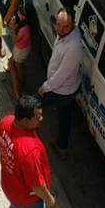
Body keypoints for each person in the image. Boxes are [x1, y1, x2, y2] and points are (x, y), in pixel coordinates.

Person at [38, 9, 83, 157]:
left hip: (61, 90)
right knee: (65, 117)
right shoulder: (65, 35)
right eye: (58, 25)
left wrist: (45, 87)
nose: (61, 30)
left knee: (33, 105)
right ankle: (62, 146)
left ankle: (24, 132)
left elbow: (61, 75)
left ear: (73, 25)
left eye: (65, 27)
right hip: (66, 88)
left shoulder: (74, 46)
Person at [7, 3, 32, 99]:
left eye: (19, 12)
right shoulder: (28, 25)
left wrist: (13, 28)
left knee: (18, 70)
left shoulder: (22, 29)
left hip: (20, 51)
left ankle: (19, 89)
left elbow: (14, 40)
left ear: (23, 16)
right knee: (12, 63)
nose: (17, 13)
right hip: (25, 48)